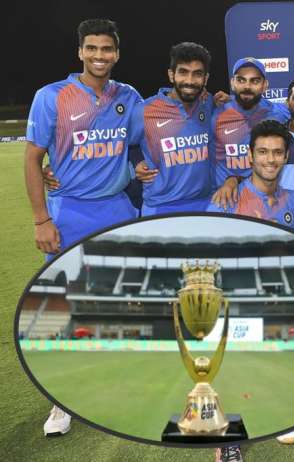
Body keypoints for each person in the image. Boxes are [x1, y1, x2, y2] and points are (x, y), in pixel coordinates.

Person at [24, 18, 141, 437]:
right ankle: (61, 398)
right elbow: (32, 158)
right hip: (69, 213)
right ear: (80, 52)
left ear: (117, 53)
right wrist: (41, 219)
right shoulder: (51, 96)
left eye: (106, 49)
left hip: (117, 210)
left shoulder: (128, 96)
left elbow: (147, 138)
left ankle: (114, 378)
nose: (99, 56)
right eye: (91, 48)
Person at [130, 42, 216, 215]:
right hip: (161, 206)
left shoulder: (209, 103)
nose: (190, 81)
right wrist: (136, 160)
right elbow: (125, 143)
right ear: (171, 75)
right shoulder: (145, 110)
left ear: (206, 78)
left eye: (197, 74)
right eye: (183, 72)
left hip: (206, 204)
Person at [206, 119, 294, 230]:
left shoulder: (292, 203)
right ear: (250, 155)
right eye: (262, 152)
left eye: (278, 152)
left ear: (286, 156)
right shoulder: (224, 203)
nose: (270, 159)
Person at [210, 57, 289, 188]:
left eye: (255, 81)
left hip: (265, 194)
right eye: (241, 80)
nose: (247, 86)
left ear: (265, 85)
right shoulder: (215, 114)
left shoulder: (279, 113)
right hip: (226, 195)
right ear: (232, 83)